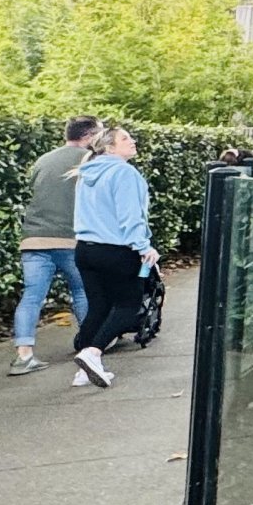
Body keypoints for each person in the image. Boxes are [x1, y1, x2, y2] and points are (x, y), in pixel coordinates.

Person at [70, 124, 160, 389]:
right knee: (128, 306)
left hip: (85, 249)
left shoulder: (86, 174)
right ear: (109, 147)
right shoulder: (125, 173)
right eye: (125, 138)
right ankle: (93, 353)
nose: (132, 141)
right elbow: (130, 215)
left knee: (98, 307)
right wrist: (144, 247)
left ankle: (84, 371)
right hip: (117, 250)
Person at [10, 116, 100, 377]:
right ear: (90, 136)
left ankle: (23, 356)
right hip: (71, 238)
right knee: (82, 290)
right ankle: (89, 345)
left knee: (31, 296)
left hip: (34, 239)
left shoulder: (43, 160)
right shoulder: (90, 161)